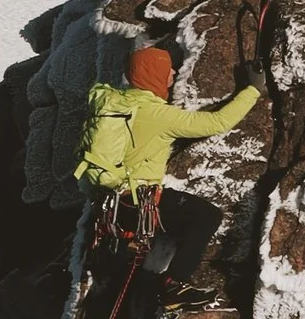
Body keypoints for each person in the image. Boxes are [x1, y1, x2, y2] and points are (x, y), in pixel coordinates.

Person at [76, 46, 260, 240]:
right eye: (167, 68)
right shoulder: (159, 115)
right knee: (209, 216)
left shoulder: (116, 103)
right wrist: (253, 90)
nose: (174, 71)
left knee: (128, 260)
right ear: (153, 74)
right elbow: (216, 123)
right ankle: (177, 272)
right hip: (139, 200)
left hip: (111, 200)